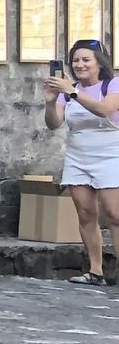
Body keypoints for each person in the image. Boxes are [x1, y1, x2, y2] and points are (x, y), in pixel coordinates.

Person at [45, 39, 119, 286]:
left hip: (111, 156)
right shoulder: (68, 90)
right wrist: (50, 101)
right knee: (86, 214)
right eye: (76, 60)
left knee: (114, 214)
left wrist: (72, 92)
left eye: (86, 59)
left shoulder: (112, 84)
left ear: (99, 62)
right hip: (79, 157)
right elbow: (54, 123)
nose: (80, 64)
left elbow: (105, 110)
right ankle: (95, 270)